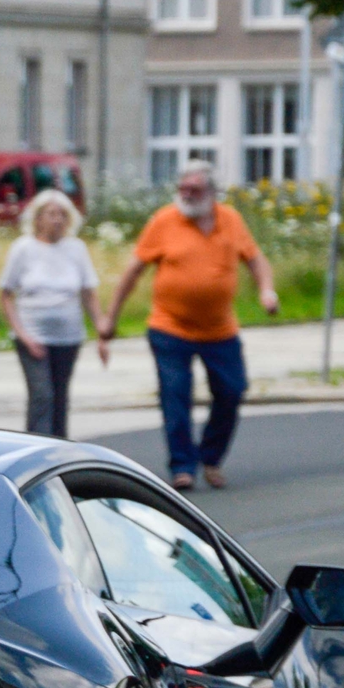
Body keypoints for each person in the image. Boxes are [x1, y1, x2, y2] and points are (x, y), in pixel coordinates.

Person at [101, 159, 280, 491]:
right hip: (170, 327)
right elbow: (133, 271)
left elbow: (255, 259)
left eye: (194, 190)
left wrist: (266, 291)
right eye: (182, 188)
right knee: (175, 396)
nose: (186, 195)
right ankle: (183, 466)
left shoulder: (231, 220)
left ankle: (210, 457)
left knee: (232, 391)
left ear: (212, 193)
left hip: (219, 330)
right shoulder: (164, 221)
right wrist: (110, 317)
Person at [0, 189, 105, 439]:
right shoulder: (23, 248)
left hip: (68, 338)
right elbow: (5, 295)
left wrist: (101, 329)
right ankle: (36, 448)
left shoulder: (76, 249)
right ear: (38, 218)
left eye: (62, 215)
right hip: (32, 335)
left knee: (59, 396)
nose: (57, 220)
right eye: (51, 214)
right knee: (42, 395)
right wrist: (23, 335)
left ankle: (59, 449)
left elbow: (89, 292)